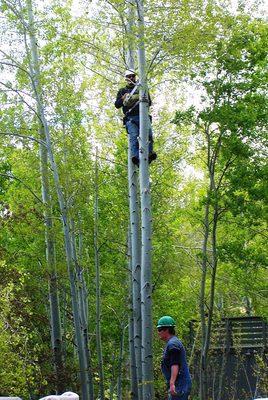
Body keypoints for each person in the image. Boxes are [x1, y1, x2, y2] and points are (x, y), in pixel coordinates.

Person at [114, 69, 157, 166]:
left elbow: (149, 102)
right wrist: (123, 98)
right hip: (130, 118)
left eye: (133, 76)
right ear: (126, 79)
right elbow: (117, 105)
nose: (131, 78)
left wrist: (137, 98)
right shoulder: (122, 91)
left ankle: (150, 153)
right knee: (134, 137)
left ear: (135, 77)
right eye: (129, 76)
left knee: (149, 135)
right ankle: (136, 157)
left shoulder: (142, 88)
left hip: (143, 116)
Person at [157, 316, 192, 400]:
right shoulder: (172, 343)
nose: (158, 332)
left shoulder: (173, 344)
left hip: (179, 384)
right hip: (179, 383)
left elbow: (175, 364)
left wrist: (172, 383)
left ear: (167, 330)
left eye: (159, 330)